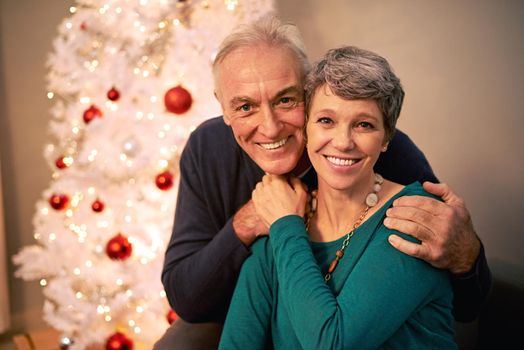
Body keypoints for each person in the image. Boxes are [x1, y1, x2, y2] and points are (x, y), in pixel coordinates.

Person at [155, 14, 490, 349]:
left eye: (286, 100)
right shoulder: (209, 149)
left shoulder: (390, 158)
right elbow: (187, 297)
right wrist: (247, 222)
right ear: (224, 110)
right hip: (246, 312)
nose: (270, 127)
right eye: (245, 106)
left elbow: (464, 302)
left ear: (308, 94)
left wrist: (466, 256)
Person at [219, 45, 456, 349]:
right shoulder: (282, 219)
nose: (343, 142)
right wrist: (285, 224)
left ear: (385, 139)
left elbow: (332, 344)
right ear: (306, 127)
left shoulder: (414, 220)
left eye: (364, 125)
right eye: (326, 121)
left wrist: (286, 226)